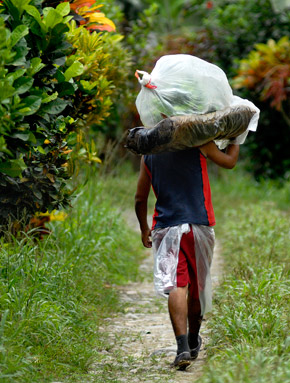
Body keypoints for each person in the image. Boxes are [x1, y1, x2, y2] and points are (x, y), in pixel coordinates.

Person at [134, 141, 239, 369]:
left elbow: (140, 198)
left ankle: (182, 347)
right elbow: (229, 162)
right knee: (197, 286)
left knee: (176, 285)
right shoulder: (201, 143)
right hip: (199, 226)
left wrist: (144, 228)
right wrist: (236, 139)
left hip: (166, 228)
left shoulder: (150, 153)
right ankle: (193, 340)